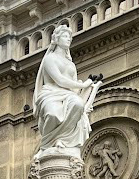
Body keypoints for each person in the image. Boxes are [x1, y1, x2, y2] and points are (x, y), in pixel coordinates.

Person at [32, 25, 102, 156]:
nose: (68, 39)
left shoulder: (71, 64)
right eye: (65, 36)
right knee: (53, 114)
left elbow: (73, 89)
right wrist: (82, 85)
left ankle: (62, 139)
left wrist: (88, 88)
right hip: (51, 93)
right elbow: (59, 80)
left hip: (68, 94)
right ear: (56, 39)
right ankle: (47, 144)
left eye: (70, 37)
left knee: (78, 104)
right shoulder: (49, 59)